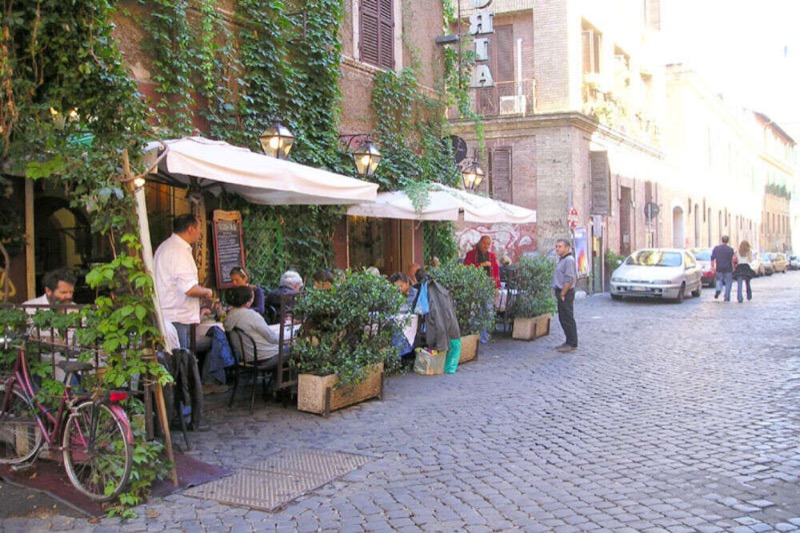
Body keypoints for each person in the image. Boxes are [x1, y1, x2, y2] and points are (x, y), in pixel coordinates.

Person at [153, 214, 214, 350]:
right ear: (191, 229)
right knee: (180, 363)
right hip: (177, 317)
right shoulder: (178, 252)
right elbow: (189, 289)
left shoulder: (166, 247)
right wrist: (207, 291)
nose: (199, 233)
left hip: (168, 315)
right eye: (199, 229)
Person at [223, 286, 281, 364]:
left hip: (244, 357)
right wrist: (284, 339)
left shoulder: (229, 316)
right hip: (263, 356)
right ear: (248, 301)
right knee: (291, 350)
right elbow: (271, 337)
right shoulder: (251, 315)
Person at [552, 239, 578, 353]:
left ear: (567, 248)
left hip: (565, 292)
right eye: (556, 246)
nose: (557, 248)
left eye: (560, 246)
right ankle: (568, 341)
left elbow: (569, 278)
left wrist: (563, 293)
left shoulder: (569, 260)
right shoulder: (562, 259)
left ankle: (572, 343)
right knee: (563, 318)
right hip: (561, 291)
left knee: (567, 318)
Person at [711, 235, 735, 302]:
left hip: (719, 267)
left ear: (721, 240)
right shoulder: (730, 250)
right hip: (728, 268)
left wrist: (712, 267)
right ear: (728, 241)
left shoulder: (716, 248)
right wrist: (733, 268)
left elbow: (712, 258)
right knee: (728, 282)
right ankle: (726, 297)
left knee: (719, 280)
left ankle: (718, 289)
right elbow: (732, 260)